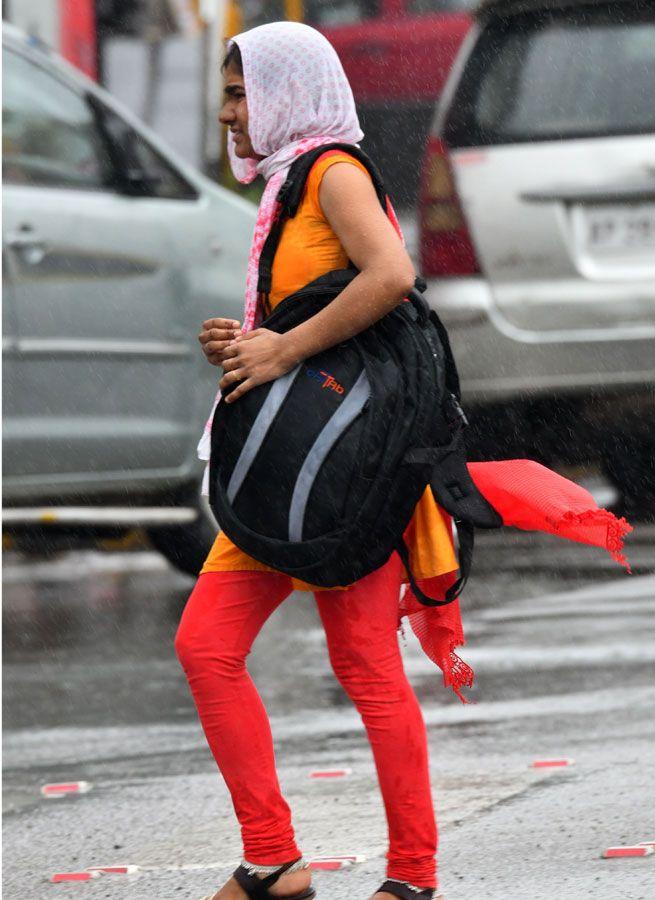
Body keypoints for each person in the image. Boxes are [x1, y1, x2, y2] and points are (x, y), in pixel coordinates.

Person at [175, 20, 459, 900]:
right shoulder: (287, 183)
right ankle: (274, 857)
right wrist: (247, 341)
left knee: (366, 666)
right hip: (286, 467)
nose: (226, 114)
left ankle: (413, 875)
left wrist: (284, 349)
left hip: (344, 469)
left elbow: (390, 275)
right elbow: (310, 307)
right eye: (225, 96)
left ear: (286, 94)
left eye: (239, 95)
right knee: (205, 645)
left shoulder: (333, 171)